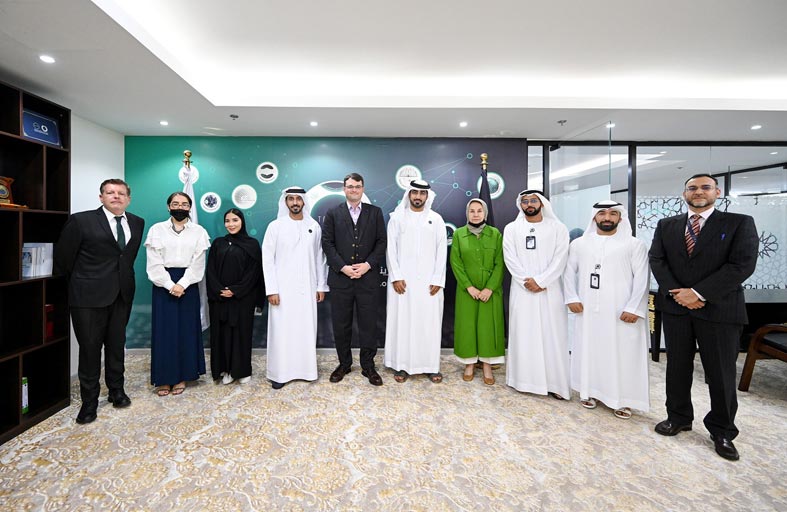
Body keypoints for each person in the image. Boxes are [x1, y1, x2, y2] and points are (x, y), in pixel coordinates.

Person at [649, 173, 758, 461]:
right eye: (692, 188)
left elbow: (742, 265)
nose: (699, 192)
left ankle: (722, 430)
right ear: (684, 193)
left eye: (705, 187)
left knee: (720, 372)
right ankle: (678, 417)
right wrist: (679, 293)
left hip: (719, 309)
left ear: (717, 192)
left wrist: (698, 293)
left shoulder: (738, 223)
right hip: (677, 309)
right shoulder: (667, 225)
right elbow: (657, 259)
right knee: (677, 367)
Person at [55, 179, 145, 424]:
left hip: (122, 295)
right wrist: (84, 283)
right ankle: (89, 402)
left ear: (128, 199)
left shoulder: (137, 222)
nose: (116, 196)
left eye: (121, 193)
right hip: (87, 297)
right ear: (101, 197)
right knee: (90, 349)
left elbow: (126, 258)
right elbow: (64, 259)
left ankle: (117, 390)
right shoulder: (81, 221)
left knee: (116, 345)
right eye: (110, 192)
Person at [564, 201, 650, 419]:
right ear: (594, 217)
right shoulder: (579, 244)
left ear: (620, 218)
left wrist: (634, 307)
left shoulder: (634, 244)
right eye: (602, 213)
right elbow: (568, 271)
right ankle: (589, 391)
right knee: (590, 349)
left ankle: (623, 399)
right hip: (588, 309)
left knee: (622, 354)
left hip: (621, 310)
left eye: (613, 213)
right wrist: (571, 297)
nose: (607, 218)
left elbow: (642, 277)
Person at [503, 190, 570, 399]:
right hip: (522, 290)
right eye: (525, 201)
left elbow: (561, 258)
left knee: (552, 335)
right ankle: (523, 381)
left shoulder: (558, 228)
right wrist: (526, 281)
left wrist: (541, 281)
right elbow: (510, 258)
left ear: (542, 203)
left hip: (550, 291)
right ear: (520, 205)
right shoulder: (512, 228)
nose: (529, 204)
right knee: (524, 334)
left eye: (533, 200)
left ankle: (555, 384)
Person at [322, 173, 387, 386]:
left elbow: (381, 242)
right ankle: (344, 364)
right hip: (341, 279)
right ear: (344, 189)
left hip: (368, 279)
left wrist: (368, 265)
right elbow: (327, 243)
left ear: (363, 188)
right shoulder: (333, 213)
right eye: (350, 186)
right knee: (341, 325)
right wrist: (343, 268)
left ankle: (368, 366)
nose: (354, 190)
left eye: (357, 186)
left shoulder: (375, 212)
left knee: (369, 325)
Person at [262, 187, 329, 389]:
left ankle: (306, 371)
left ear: (304, 202)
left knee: (305, 329)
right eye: (290, 199)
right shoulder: (275, 226)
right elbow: (267, 259)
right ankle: (280, 374)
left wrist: (321, 285)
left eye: (298, 199)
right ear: (285, 202)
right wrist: (272, 289)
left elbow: (320, 258)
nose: (294, 202)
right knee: (282, 331)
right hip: (282, 290)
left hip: (307, 288)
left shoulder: (314, 226)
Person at [145, 192, 210, 396]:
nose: (179, 207)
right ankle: (164, 379)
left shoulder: (199, 231)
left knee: (186, 331)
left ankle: (183, 375)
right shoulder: (156, 230)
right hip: (163, 286)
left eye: (184, 204)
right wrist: (169, 284)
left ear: (189, 207)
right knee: (165, 332)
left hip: (188, 286)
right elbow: (153, 262)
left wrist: (182, 284)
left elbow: (198, 262)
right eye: (175, 203)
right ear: (168, 206)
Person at [384, 180, 447, 383]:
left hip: (430, 284)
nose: (418, 197)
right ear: (409, 195)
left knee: (428, 324)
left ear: (427, 196)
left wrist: (438, 278)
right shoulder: (397, 218)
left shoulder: (436, 219)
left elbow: (442, 251)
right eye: (414, 193)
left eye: (422, 193)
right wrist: (396, 276)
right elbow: (390, 249)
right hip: (403, 283)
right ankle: (401, 366)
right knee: (403, 323)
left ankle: (430, 366)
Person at [450, 198, 505, 385]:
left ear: (485, 214)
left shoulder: (495, 234)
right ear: (467, 213)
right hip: (467, 291)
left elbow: (500, 263)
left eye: (479, 211)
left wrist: (490, 288)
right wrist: (469, 286)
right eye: (472, 211)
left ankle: (487, 365)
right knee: (467, 327)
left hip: (490, 291)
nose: (475, 214)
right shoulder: (459, 234)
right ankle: (470, 364)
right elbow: (456, 262)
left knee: (488, 327)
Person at [206, 208, 263, 385]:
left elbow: (254, 273)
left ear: (242, 221)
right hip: (220, 298)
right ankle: (225, 370)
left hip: (242, 299)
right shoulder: (218, 243)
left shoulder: (252, 244)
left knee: (241, 334)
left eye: (235, 220)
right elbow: (210, 270)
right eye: (227, 221)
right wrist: (219, 290)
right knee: (222, 334)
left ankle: (242, 370)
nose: (231, 224)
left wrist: (235, 290)